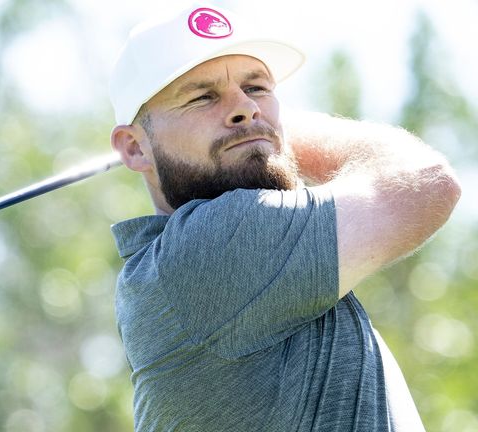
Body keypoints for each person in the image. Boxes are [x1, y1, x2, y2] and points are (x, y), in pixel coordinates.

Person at [107, 2, 461, 431]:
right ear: (134, 148)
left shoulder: (169, 271)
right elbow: (424, 181)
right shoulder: (211, 249)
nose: (245, 108)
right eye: (202, 97)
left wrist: (255, 131)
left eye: (256, 88)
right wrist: (266, 131)